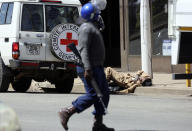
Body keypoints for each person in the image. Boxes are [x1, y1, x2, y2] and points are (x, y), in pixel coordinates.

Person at [58, 2, 114, 131]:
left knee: (104, 94)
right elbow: (83, 50)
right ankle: (67, 112)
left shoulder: (91, 27)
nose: (99, 17)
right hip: (88, 67)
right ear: (92, 15)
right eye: (97, 15)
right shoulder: (86, 28)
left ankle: (98, 124)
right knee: (94, 94)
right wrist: (88, 69)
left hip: (96, 67)